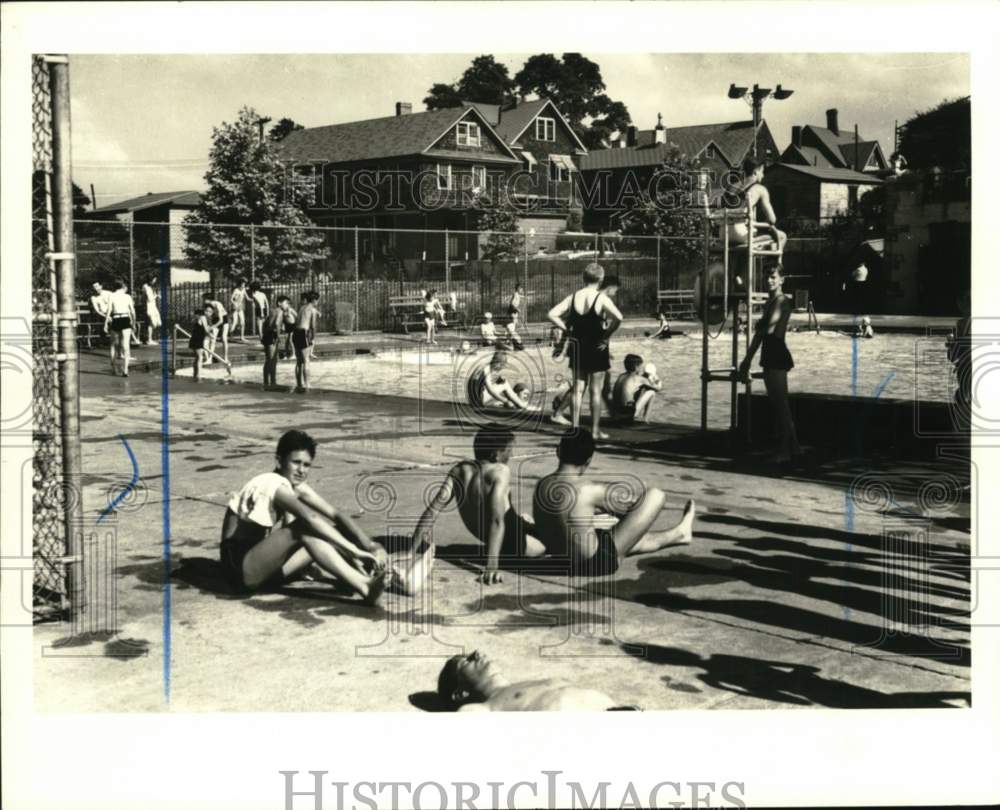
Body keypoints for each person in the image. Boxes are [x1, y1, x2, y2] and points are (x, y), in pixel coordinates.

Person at [220, 430, 388, 603]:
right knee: (305, 527)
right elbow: (310, 518)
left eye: (307, 465)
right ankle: (364, 585)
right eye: (296, 462)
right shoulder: (271, 483)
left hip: (261, 569)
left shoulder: (293, 485)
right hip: (238, 571)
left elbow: (336, 514)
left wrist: (370, 546)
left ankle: (368, 577)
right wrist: (353, 551)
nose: (301, 470)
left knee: (333, 532)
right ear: (279, 461)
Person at [533, 429, 696, 578]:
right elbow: (632, 509)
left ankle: (680, 534)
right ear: (588, 461)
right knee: (656, 496)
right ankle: (680, 533)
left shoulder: (541, 485)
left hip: (563, 562)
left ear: (558, 451)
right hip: (595, 564)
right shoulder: (589, 489)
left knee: (627, 539)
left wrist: (594, 512)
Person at [411, 427, 545, 585]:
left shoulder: (459, 470)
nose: (512, 455)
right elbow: (496, 520)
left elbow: (433, 510)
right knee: (552, 543)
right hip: (511, 545)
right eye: (509, 450)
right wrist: (492, 566)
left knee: (525, 520)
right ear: (495, 454)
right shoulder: (499, 471)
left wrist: (412, 549)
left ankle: (526, 525)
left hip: (494, 535)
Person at [547, 265, 623, 440]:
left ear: (583, 278)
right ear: (601, 280)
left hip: (577, 346)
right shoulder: (600, 298)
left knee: (578, 389)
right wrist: (607, 335)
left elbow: (552, 314)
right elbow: (619, 317)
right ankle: (595, 431)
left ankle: (575, 428)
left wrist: (566, 328)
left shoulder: (573, 297)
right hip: (597, 346)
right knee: (596, 391)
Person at [737, 264, 803, 466]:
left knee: (780, 405)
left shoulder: (782, 301)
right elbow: (761, 332)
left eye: (773, 277)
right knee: (779, 404)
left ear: (782, 280)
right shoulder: (770, 302)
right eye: (767, 277)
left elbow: (769, 328)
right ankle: (795, 448)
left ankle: (785, 451)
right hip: (770, 351)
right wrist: (747, 359)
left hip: (776, 352)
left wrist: (747, 360)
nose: (769, 280)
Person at [437, 650, 641, 711]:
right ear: (460, 693)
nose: (478, 654)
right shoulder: (482, 709)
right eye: (466, 662)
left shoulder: (528, 684)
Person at [728, 157, 786, 255]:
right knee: (781, 236)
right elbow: (772, 220)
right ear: (755, 172)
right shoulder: (759, 189)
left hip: (723, 233)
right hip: (741, 235)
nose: (763, 175)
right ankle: (771, 268)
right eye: (762, 171)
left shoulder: (731, 187)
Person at [466, 350, 532, 412]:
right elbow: (490, 391)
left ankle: (515, 401)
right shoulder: (486, 370)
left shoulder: (482, 366)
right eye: (502, 366)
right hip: (478, 402)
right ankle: (522, 405)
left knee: (502, 384)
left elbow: (474, 384)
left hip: (472, 400)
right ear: (498, 363)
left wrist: (497, 382)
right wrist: (505, 401)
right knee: (505, 384)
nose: (501, 369)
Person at [608, 354, 660, 423]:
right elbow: (658, 388)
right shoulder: (639, 379)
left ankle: (625, 416)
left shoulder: (621, 376)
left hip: (616, 414)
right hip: (627, 416)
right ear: (636, 367)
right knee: (652, 392)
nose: (641, 368)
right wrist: (656, 378)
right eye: (640, 366)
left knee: (641, 388)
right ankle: (645, 419)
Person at [104, 278, 137, 377]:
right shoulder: (127, 296)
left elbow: (109, 310)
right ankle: (126, 369)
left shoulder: (112, 296)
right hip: (125, 318)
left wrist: (105, 323)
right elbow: (132, 311)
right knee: (126, 345)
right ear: (122, 286)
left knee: (113, 345)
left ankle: (114, 369)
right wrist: (134, 323)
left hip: (116, 319)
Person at [293, 290, 320, 393]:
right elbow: (313, 326)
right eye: (317, 300)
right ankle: (307, 383)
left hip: (296, 333)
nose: (317, 302)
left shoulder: (301, 308)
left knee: (299, 362)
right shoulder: (312, 310)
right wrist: (313, 338)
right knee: (306, 360)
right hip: (304, 333)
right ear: (314, 300)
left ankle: (299, 383)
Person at [261, 295, 288, 388]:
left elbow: (265, 323)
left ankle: (266, 381)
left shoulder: (272, 311)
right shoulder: (279, 311)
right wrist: (278, 336)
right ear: (279, 303)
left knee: (269, 360)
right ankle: (272, 382)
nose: (287, 305)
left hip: (267, 335)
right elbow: (276, 324)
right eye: (286, 303)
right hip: (272, 335)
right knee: (272, 360)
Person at [90, 281, 114, 366]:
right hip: (101, 316)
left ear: (101, 285)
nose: (96, 288)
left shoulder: (109, 293)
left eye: (97, 286)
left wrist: (109, 316)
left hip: (112, 314)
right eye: (94, 287)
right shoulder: (93, 298)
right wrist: (106, 317)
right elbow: (97, 311)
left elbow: (113, 305)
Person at [189, 304, 213, 381]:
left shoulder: (201, 318)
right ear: (204, 311)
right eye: (207, 311)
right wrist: (211, 335)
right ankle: (198, 375)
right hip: (197, 339)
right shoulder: (203, 317)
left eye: (210, 311)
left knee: (197, 357)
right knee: (200, 357)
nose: (208, 313)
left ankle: (195, 374)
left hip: (197, 338)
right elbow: (206, 330)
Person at [203, 294, 229, 364]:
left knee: (224, 338)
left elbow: (221, 321)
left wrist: (211, 327)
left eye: (204, 299)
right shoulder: (207, 306)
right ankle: (209, 359)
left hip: (223, 319)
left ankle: (225, 358)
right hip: (215, 319)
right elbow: (208, 317)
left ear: (209, 299)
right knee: (213, 339)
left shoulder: (218, 304)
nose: (203, 301)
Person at [141, 276, 162, 346]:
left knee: (153, 323)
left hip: (152, 306)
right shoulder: (146, 287)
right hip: (149, 306)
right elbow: (150, 299)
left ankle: (149, 338)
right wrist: (156, 296)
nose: (154, 281)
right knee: (151, 323)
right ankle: (149, 339)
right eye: (154, 280)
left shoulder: (148, 287)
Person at [229, 278, 249, 343]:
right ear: (239, 284)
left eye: (244, 285)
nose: (243, 286)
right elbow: (231, 299)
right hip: (235, 307)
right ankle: (231, 337)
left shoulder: (243, 290)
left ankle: (242, 337)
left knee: (242, 322)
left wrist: (252, 299)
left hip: (240, 307)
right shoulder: (236, 290)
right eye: (242, 284)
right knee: (235, 322)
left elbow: (247, 297)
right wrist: (235, 304)